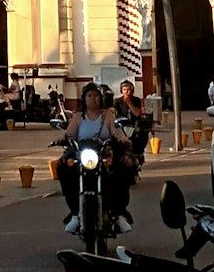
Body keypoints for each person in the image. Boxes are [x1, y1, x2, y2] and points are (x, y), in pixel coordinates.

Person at [58, 82, 134, 235]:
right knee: (63, 167)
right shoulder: (79, 117)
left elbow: (116, 131)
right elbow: (69, 134)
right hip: (82, 153)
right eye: (89, 96)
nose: (92, 99)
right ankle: (75, 213)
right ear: (84, 99)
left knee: (124, 168)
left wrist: (123, 139)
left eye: (96, 96)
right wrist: (60, 139)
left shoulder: (108, 116)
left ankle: (119, 214)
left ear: (101, 98)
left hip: (104, 153)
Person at [117, 80, 150, 164]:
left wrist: (128, 102)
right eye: (124, 90)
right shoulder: (117, 101)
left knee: (142, 134)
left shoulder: (136, 100)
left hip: (133, 125)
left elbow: (137, 113)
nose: (126, 92)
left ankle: (138, 153)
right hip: (122, 125)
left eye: (128, 90)